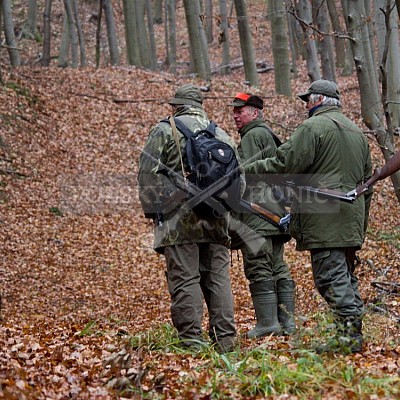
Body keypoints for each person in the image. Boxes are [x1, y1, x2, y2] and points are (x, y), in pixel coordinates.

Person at [243, 80, 373, 354]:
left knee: (331, 279)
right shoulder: (357, 132)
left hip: (325, 221)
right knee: (345, 278)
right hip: (349, 221)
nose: (305, 106)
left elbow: (284, 163)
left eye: (308, 101)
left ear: (319, 101)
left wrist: (247, 171)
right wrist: (360, 225)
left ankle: (349, 341)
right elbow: (366, 185)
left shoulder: (312, 128)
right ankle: (349, 336)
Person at [137, 83, 243, 353]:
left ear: (176, 106)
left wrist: (153, 213)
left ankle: (192, 343)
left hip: (179, 220)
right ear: (199, 106)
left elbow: (148, 173)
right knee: (218, 279)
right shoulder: (221, 134)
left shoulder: (165, 130)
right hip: (218, 218)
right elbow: (237, 179)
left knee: (185, 278)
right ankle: (226, 342)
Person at [228, 92, 295, 338]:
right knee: (277, 267)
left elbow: (241, 178)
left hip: (257, 214)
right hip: (275, 214)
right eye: (234, 111)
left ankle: (268, 324)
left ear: (254, 113)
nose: (235, 115)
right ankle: (287, 325)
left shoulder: (252, 136)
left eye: (240, 110)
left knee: (259, 267)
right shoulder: (266, 134)